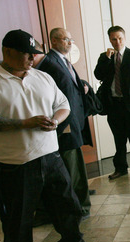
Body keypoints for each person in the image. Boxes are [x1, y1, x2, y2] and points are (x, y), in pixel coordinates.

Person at [0, 29, 100, 242]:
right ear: (7, 52)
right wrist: (24, 124)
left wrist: (55, 120)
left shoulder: (42, 77)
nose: (31, 59)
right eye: (26, 54)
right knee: (18, 213)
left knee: (66, 203)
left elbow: (62, 105)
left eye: (33, 54)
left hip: (50, 155)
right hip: (15, 161)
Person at [36, 27, 93, 222]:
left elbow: (70, 87)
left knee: (75, 166)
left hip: (74, 121)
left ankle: (81, 204)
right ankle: (80, 208)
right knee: (73, 168)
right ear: (53, 41)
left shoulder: (63, 61)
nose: (70, 43)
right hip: (65, 125)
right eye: (65, 39)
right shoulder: (49, 64)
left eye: (71, 39)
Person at [94, 25, 130, 180]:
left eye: (120, 38)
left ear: (124, 38)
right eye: (113, 39)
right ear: (109, 40)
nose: (117, 41)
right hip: (113, 105)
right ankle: (120, 168)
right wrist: (106, 58)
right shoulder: (105, 57)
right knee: (119, 139)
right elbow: (98, 75)